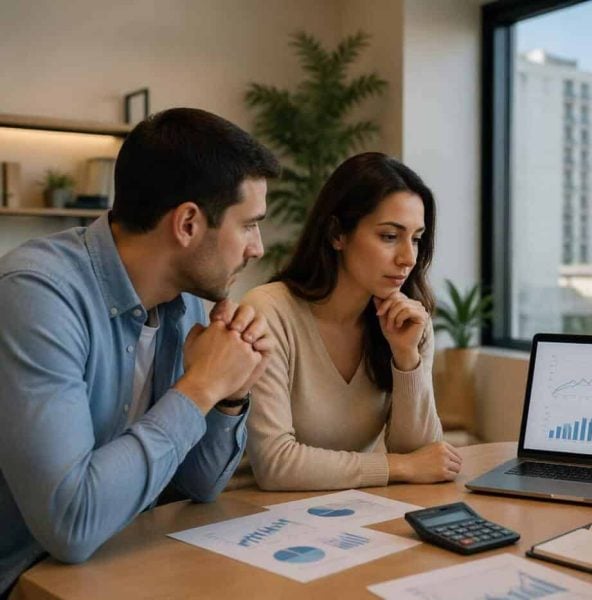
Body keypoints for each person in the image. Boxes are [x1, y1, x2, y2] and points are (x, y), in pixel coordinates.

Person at [0, 107, 280, 597]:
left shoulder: (188, 301)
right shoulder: (37, 295)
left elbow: (201, 487)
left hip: (123, 566)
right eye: (249, 224)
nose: (257, 248)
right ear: (188, 223)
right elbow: (72, 522)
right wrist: (201, 388)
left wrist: (232, 392)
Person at [242, 152, 460, 491]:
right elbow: (276, 465)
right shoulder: (269, 313)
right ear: (336, 234)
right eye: (390, 236)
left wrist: (407, 360)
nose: (408, 258)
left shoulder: (409, 322)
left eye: (416, 239)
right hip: (250, 515)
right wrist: (399, 466)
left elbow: (422, 456)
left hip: (347, 513)